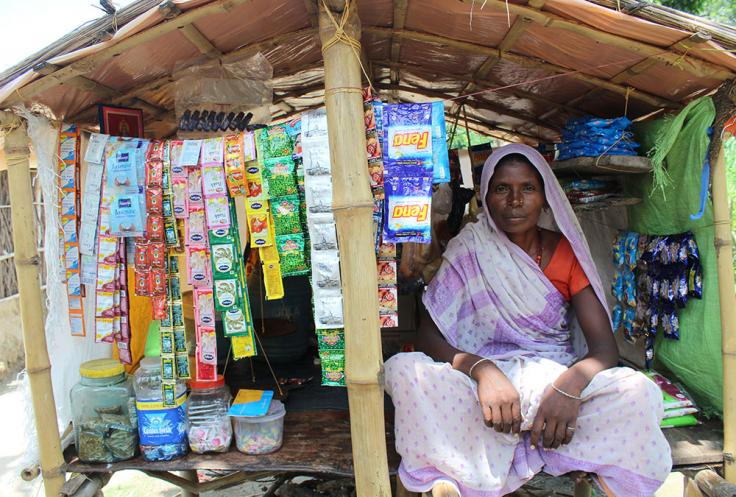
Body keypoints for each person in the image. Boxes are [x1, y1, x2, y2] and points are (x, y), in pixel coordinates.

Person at [384, 144, 672, 497]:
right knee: (404, 369)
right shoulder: (469, 248)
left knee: (638, 391)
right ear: (486, 195)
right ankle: (460, 470)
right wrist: (483, 370)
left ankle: (487, 456)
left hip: (550, 381)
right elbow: (428, 336)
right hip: (481, 392)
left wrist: (568, 389)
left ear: (546, 197)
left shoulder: (565, 253)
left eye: (528, 189)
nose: (515, 200)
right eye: (502, 188)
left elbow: (603, 350)